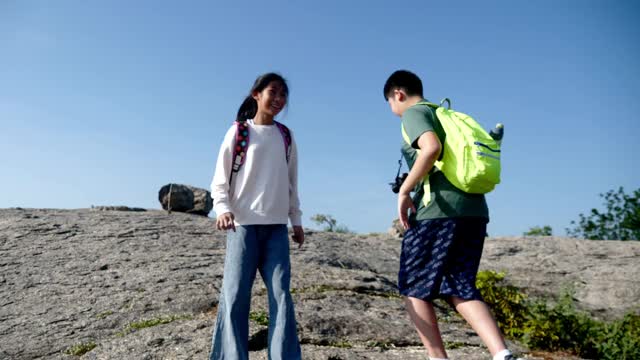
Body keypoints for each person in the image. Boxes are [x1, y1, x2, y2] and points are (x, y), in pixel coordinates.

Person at [383, 70, 521, 360]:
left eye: (391, 105)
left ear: (398, 94)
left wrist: (404, 191)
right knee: (458, 284)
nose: (394, 112)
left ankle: (437, 358)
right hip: (474, 211)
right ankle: (502, 354)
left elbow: (430, 148)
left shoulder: (414, 113)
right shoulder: (448, 114)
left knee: (413, 286)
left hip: (438, 213)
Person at [209, 72, 304, 360]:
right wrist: (223, 209)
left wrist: (296, 220)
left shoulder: (285, 136)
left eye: (282, 94)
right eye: (272, 92)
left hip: (275, 228)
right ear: (256, 95)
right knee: (235, 296)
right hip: (243, 227)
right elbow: (219, 179)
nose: (278, 99)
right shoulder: (239, 131)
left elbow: (291, 182)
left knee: (281, 296)